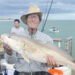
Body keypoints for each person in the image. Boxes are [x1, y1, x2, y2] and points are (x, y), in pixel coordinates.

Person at [4, 5, 59, 75]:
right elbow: (11, 61)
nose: (32, 20)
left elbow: (49, 65)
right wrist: (9, 52)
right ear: (26, 20)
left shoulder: (47, 39)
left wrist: (51, 64)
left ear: (39, 21)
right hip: (21, 73)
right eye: (30, 17)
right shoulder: (17, 38)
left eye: (35, 17)